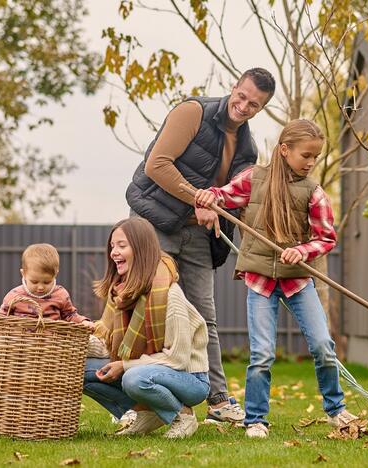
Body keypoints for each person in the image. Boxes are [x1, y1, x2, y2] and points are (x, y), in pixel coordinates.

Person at [125, 68, 276, 424]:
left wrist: (220, 207)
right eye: (242, 97)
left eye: (254, 105)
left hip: (198, 233)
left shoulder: (247, 148)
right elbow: (157, 165)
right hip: (155, 221)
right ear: (233, 87)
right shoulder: (192, 112)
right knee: (148, 308)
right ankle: (135, 406)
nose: (244, 106)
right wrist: (199, 198)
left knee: (204, 316)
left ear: (261, 107)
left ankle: (218, 399)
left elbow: (235, 197)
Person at [193, 119, 359, 438]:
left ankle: (336, 409)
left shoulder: (313, 191)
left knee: (324, 345)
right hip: (260, 280)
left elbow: (326, 238)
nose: (310, 163)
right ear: (284, 150)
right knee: (262, 354)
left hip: (297, 280)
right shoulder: (254, 179)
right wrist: (207, 197)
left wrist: (303, 250)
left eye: (315, 157)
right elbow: (223, 196)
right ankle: (255, 419)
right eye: (305, 155)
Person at [83, 217, 209, 438]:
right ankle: (148, 412)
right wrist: (77, 339)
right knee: (79, 369)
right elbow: (108, 345)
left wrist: (124, 365)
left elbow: (177, 359)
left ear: (141, 249)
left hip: (189, 378)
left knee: (134, 378)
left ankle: (183, 415)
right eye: (112, 246)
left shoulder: (170, 295)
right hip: (147, 369)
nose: (114, 252)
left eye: (122, 246)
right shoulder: (120, 293)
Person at [0, 243, 94, 328]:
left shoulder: (60, 294)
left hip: (52, 344)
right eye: (34, 282)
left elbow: (70, 315)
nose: (40, 287)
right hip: (21, 342)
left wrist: (83, 321)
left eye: (47, 282)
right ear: (23, 274)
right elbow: (1, 317)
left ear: (55, 275)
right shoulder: (14, 295)